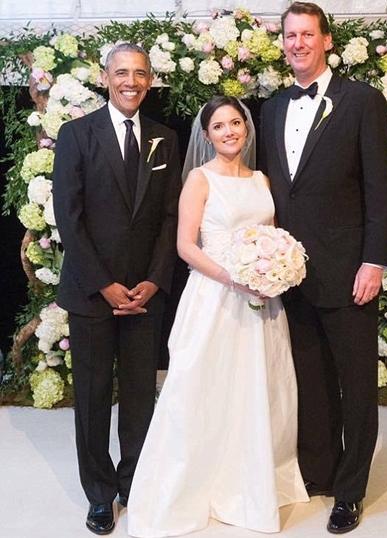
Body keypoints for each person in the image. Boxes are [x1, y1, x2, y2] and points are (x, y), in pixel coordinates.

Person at [127, 95, 309, 537]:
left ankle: (251, 483)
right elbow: (185, 245)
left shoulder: (262, 180)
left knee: (259, 388)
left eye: (235, 123)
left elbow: (272, 235)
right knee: (203, 389)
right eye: (219, 126)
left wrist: (276, 268)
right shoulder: (199, 178)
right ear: (206, 136)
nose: (229, 132)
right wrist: (234, 278)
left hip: (262, 299)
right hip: (215, 297)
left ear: (246, 127)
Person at [259, 2, 387, 534]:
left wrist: (373, 261)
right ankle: (320, 472)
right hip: (290, 273)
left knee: (356, 385)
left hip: (349, 270)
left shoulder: (362, 101)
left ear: (326, 40)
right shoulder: (272, 107)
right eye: (290, 35)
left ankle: (351, 490)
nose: (298, 43)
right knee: (310, 380)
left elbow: (380, 190)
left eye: (307, 34)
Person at [52, 43, 181, 535]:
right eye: (122, 72)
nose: (132, 81)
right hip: (93, 293)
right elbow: (70, 218)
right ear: (105, 77)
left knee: (140, 397)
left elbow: (170, 218)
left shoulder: (166, 139)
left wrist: (154, 279)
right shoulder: (76, 135)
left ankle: (134, 483)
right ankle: (99, 495)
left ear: (150, 80)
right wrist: (104, 283)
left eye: (140, 73)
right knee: (91, 398)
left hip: (146, 294)